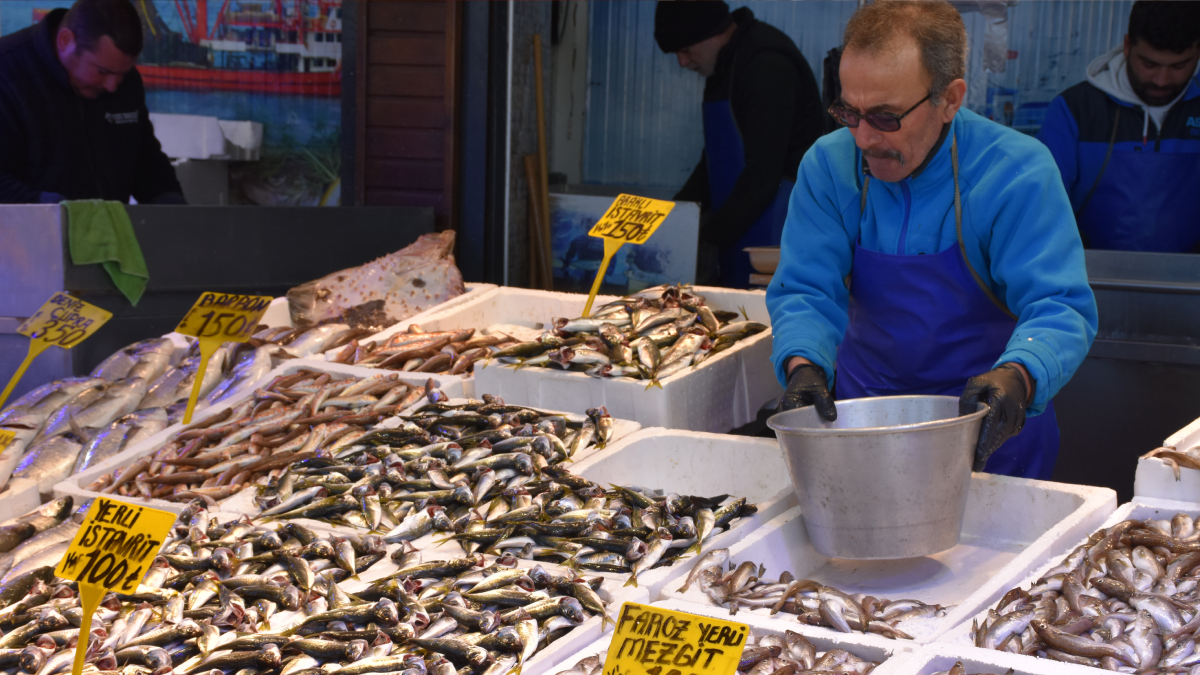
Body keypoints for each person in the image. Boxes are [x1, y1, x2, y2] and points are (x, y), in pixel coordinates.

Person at [767, 1, 1098, 479]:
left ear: (950, 98)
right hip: (864, 428)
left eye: (884, 117)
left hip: (990, 435)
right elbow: (805, 289)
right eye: (848, 111)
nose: (861, 138)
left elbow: (1059, 305)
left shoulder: (1016, 173)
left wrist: (1019, 375)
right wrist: (804, 364)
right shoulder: (827, 166)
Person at [655, 1, 824, 288]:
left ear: (712, 33)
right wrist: (673, 218)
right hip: (742, 227)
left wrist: (707, 236)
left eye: (685, 50)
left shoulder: (766, 64)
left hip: (780, 230)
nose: (682, 62)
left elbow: (762, 175)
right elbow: (716, 157)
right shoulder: (723, 65)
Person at [1037, 1, 1200, 253]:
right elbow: (1040, 205)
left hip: (1189, 283)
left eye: (1179, 66)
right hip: (1093, 278)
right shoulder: (1075, 110)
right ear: (1127, 46)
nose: (1161, 80)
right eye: (1149, 64)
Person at [0, 0, 185, 205]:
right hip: (26, 233)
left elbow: (146, 163)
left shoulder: (127, 83)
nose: (112, 86)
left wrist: (171, 204)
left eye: (122, 74)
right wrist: (57, 212)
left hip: (107, 234)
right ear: (65, 41)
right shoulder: (6, 72)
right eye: (102, 71)